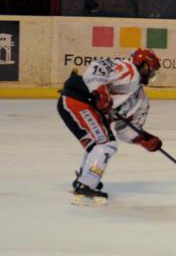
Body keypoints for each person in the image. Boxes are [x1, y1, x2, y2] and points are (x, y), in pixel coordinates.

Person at [57, 48, 162, 205]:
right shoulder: (128, 69)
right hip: (78, 100)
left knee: (98, 144)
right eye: (151, 69)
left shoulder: (141, 100)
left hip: (83, 106)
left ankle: (85, 178)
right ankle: (86, 184)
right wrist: (99, 90)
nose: (152, 73)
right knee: (106, 144)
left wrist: (141, 138)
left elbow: (125, 130)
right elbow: (97, 66)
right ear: (144, 65)